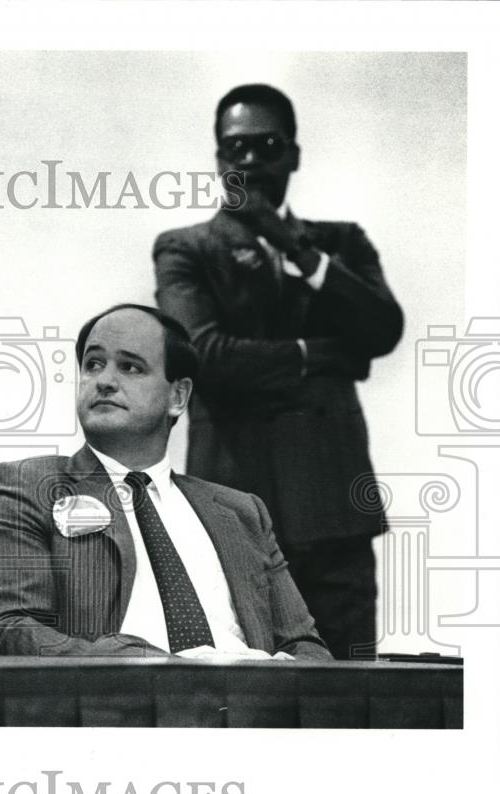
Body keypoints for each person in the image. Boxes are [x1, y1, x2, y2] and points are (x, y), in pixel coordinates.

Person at [152, 84, 404, 658]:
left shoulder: (341, 244)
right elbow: (206, 357)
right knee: (240, 704)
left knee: (350, 698)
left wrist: (298, 250)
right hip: (234, 515)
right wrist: (318, 355)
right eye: (234, 148)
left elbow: (383, 329)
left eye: (266, 145)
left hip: (335, 515)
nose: (249, 161)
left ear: (293, 154)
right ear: (218, 159)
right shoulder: (186, 249)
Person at [0, 303, 331, 660]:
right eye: (93, 364)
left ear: (178, 396)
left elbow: (306, 646)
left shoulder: (243, 512)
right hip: (114, 713)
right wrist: (158, 666)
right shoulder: (29, 486)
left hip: (247, 711)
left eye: (130, 367)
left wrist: (279, 676)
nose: (104, 381)